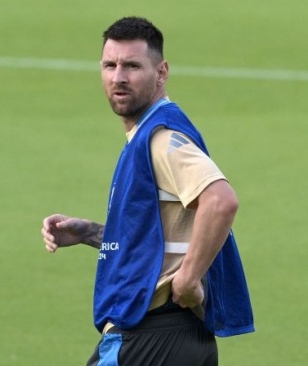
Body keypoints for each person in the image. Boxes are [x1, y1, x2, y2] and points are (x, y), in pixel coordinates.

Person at [40, 16, 254, 366]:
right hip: (184, 339)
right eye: (110, 65)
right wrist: (92, 233)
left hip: (150, 337)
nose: (118, 77)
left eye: (132, 66)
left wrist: (188, 279)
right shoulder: (151, 133)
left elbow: (221, 201)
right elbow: (160, 235)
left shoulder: (161, 138)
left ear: (161, 71)